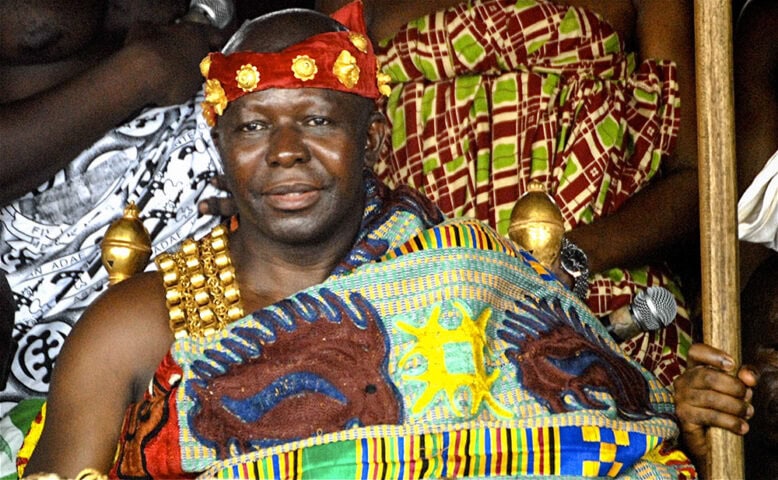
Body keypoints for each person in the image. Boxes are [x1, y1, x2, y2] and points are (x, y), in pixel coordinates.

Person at [22, 3, 698, 478]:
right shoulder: (136, 326)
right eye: (253, 127)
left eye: (317, 120)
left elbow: (605, 442)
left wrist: (689, 413)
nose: (285, 152)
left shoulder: (465, 279)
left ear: (374, 140)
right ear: (218, 148)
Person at [314, 0, 700, 388]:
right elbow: (322, 166)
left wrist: (573, 259)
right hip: (425, 325)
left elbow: (697, 178)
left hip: (598, 305)